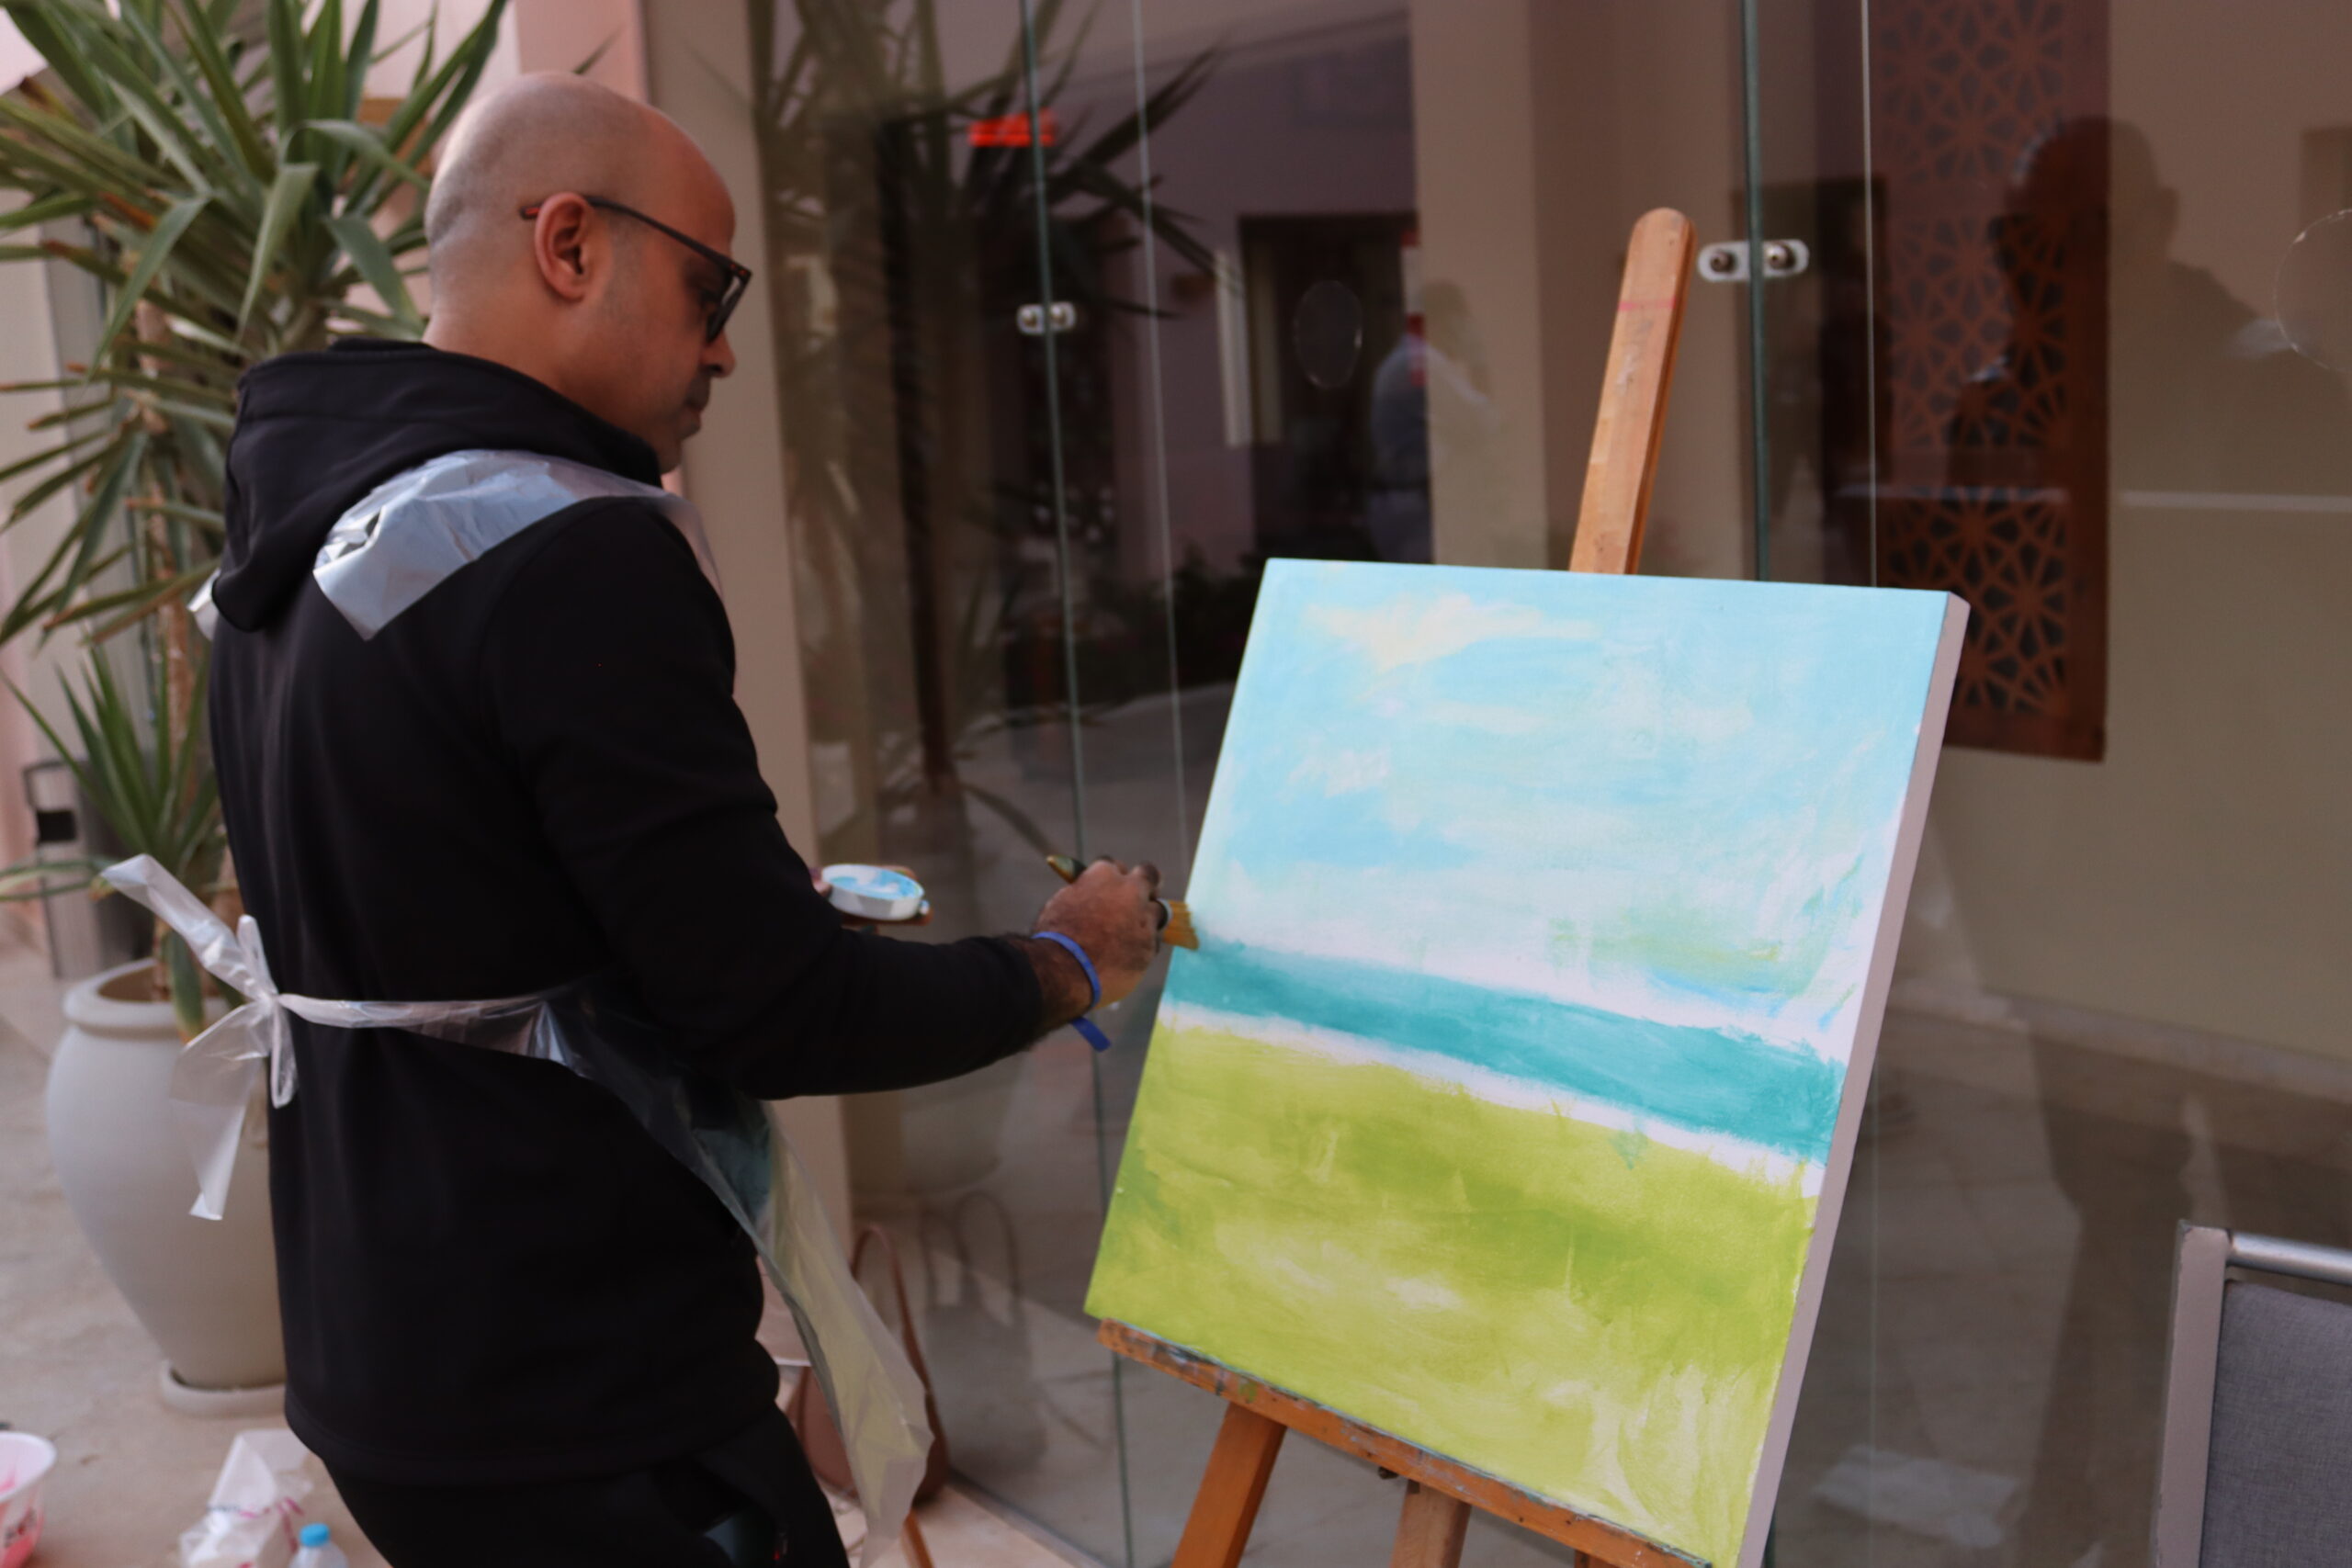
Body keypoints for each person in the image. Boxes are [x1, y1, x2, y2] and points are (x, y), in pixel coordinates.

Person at [204, 73, 1161, 1567]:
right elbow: (773, 1012)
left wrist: (720, 904)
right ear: (570, 243)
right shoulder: (567, 548)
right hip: (579, 1394)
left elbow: (453, 890)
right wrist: (1067, 962)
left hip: (386, 1353)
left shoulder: (313, 528)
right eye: (710, 289)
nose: (721, 347)